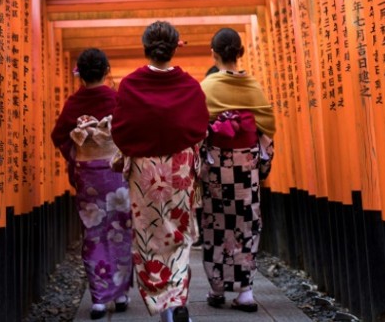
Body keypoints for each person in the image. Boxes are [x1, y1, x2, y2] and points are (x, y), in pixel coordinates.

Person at [111, 21, 209, 322]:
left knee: (149, 236)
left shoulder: (130, 85)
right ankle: (176, 301)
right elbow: (200, 127)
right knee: (177, 235)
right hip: (178, 169)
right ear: (174, 47)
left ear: (146, 48)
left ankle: (163, 304)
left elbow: (121, 130)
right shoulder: (190, 85)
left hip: (144, 171)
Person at [51, 48, 132, 320]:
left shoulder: (74, 103)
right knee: (120, 228)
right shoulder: (117, 99)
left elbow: (59, 135)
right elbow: (130, 131)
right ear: (107, 70)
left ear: (80, 75)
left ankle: (99, 298)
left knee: (94, 231)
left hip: (89, 177)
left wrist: (77, 151)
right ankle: (120, 293)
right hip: (116, 173)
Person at [199, 27, 276, 312]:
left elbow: (196, 131)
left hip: (217, 169)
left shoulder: (206, 88)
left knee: (216, 224)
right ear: (240, 53)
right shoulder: (253, 87)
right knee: (247, 224)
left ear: (214, 53)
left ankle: (217, 288)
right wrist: (262, 165)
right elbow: (266, 133)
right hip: (247, 172)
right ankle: (245, 291)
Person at [191, 65, 220, 250]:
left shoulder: (203, 96)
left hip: (207, 156)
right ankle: (205, 234)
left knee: (206, 199)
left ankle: (205, 235)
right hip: (233, 163)